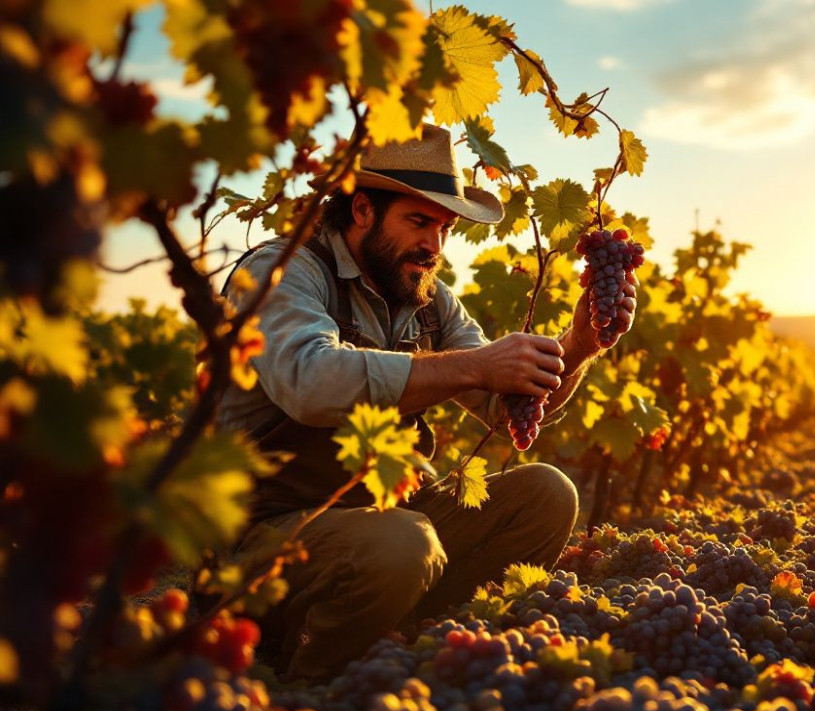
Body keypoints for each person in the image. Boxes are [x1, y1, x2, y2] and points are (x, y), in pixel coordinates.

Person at [214, 124, 636, 682]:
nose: (434, 246)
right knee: (401, 545)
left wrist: (579, 344)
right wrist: (473, 365)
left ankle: (412, 645)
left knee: (546, 494)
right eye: (419, 222)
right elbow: (310, 382)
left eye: (443, 228)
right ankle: (308, 682)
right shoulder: (281, 270)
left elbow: (503, 410)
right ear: (361, 210)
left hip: (384, 516)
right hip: (269, 529)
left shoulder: (426, 296)